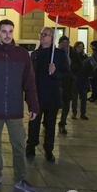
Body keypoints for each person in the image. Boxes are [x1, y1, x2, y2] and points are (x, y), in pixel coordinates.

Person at [0, 19, 39, 192]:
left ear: (13, 33)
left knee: (19, 144)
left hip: (14, 108)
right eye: (4, 31)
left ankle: (20, 178)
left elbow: (30, 82)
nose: (7, 35)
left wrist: (33, 104)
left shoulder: (22, 55)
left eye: (10, 31)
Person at [26, 27, 68, 163]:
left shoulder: (59, 55)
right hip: (36, 96)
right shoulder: (35, 54)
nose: (43, 36)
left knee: (50, 125)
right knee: (33, 124)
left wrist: (55, 72)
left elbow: (67, 75)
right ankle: (31, 146)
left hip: (52, 96)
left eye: (46, 34)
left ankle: (48, 150)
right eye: (42, 34)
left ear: (52, 38)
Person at [71, 41, 93, 120]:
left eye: (82, 47)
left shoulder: (85, 56)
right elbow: (72, 67)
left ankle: (83, 114)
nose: (80, 49)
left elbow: (89, 67)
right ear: (75, 47)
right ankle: (74, 113)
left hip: (83, 79)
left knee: (84, 98)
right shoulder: (73, 56)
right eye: (79, 47)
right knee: (74, 98)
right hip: (75, 79)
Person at [57, 36, 74, 135]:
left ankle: (62, 123)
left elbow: (78, 65)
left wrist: (72, 74)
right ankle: (47, 122)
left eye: (67, 42)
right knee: (55, 105)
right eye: (63, 42)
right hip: (58, 83)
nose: (65, 44)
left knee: (66, 105)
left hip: (68, 83)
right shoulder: (55, 53)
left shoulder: (72, 53)